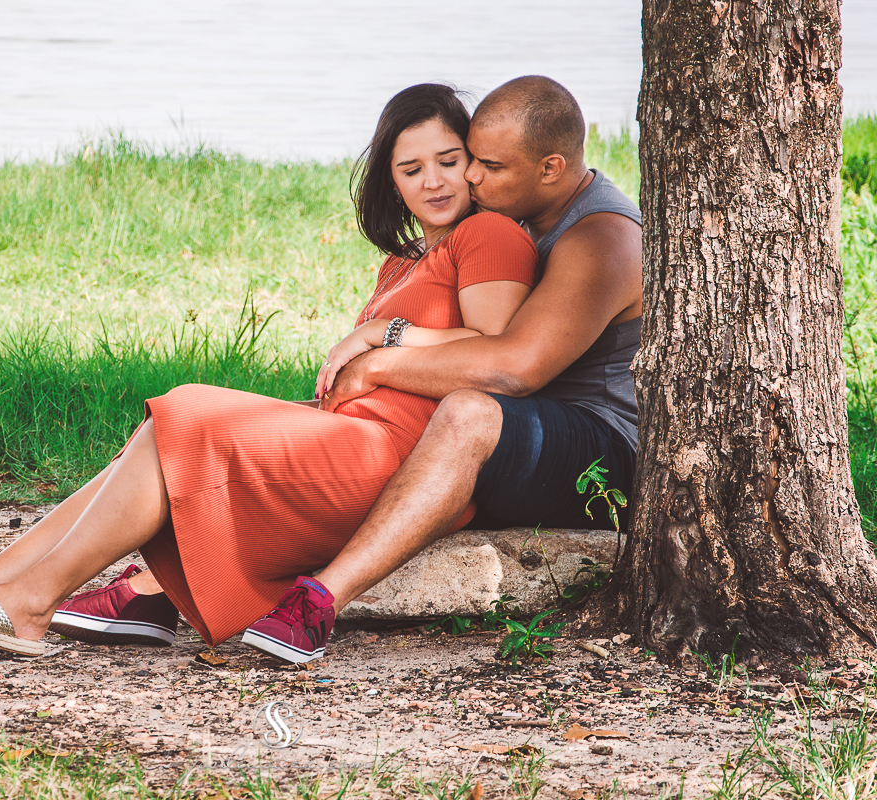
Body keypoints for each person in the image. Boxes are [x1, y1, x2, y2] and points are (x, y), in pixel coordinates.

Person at [0, 82, 538, 660]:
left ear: (474, 166)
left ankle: (28, 602)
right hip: (349, 438)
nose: (434, 181)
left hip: (403, 461)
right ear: (391, 181)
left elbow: (496, 349)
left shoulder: (489, 233)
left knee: (187, 409)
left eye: (449, 161)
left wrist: (383, 338)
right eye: (411, 169)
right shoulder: (402, 263)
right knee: (163, 432)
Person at [54, 74, 645, 665]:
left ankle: (318, 600)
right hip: (521, 426)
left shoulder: (601, 237)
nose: (468, 177)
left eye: (487, 166)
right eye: (468, 160)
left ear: (550, 168)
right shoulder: (516, 217)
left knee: (466, 414)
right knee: (247, 429)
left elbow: (515, 367)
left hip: (598, 450)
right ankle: (158, 587)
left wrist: (384, 356)